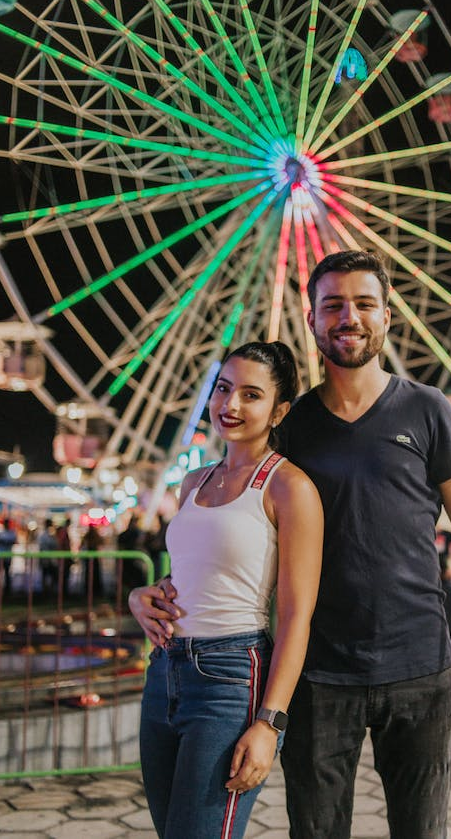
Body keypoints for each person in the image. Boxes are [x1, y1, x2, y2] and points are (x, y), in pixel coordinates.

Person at [130, 251, 451, 839]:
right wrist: (156, 593)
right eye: (333, 305)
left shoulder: (428, 409)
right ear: (311, 319)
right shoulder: (291, 427)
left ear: (388, 316)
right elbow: (232, 529)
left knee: (423, 829)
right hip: (318, 676)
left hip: (419, 666)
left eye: (364, 304)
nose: (349, 317)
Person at [137, 341, 323, 839]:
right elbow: (194, 576)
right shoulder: (193, 482)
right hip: (164, 673)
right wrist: (142, 597)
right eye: (223, 388)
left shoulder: (289, 487)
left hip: (230, 676)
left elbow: (296, 614)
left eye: (251, 394)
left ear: (279, 410)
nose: (230, 405)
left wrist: (269, 724)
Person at [0, 517, 17, 596]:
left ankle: (7, 592)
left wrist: (4, 541)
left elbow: (13, 541)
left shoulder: (12, 533)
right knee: (0, 573)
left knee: (7, 574)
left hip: (7, 557)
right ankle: (0, 590)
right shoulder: (1, 532)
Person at [38, 518, 58, 594]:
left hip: (48, 559)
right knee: (47, 575)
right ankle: (46, 591)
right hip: (47, 559)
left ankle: (48, 591)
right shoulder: (46, 534)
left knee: (49, 575)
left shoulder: (48, 534)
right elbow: (54, 545)